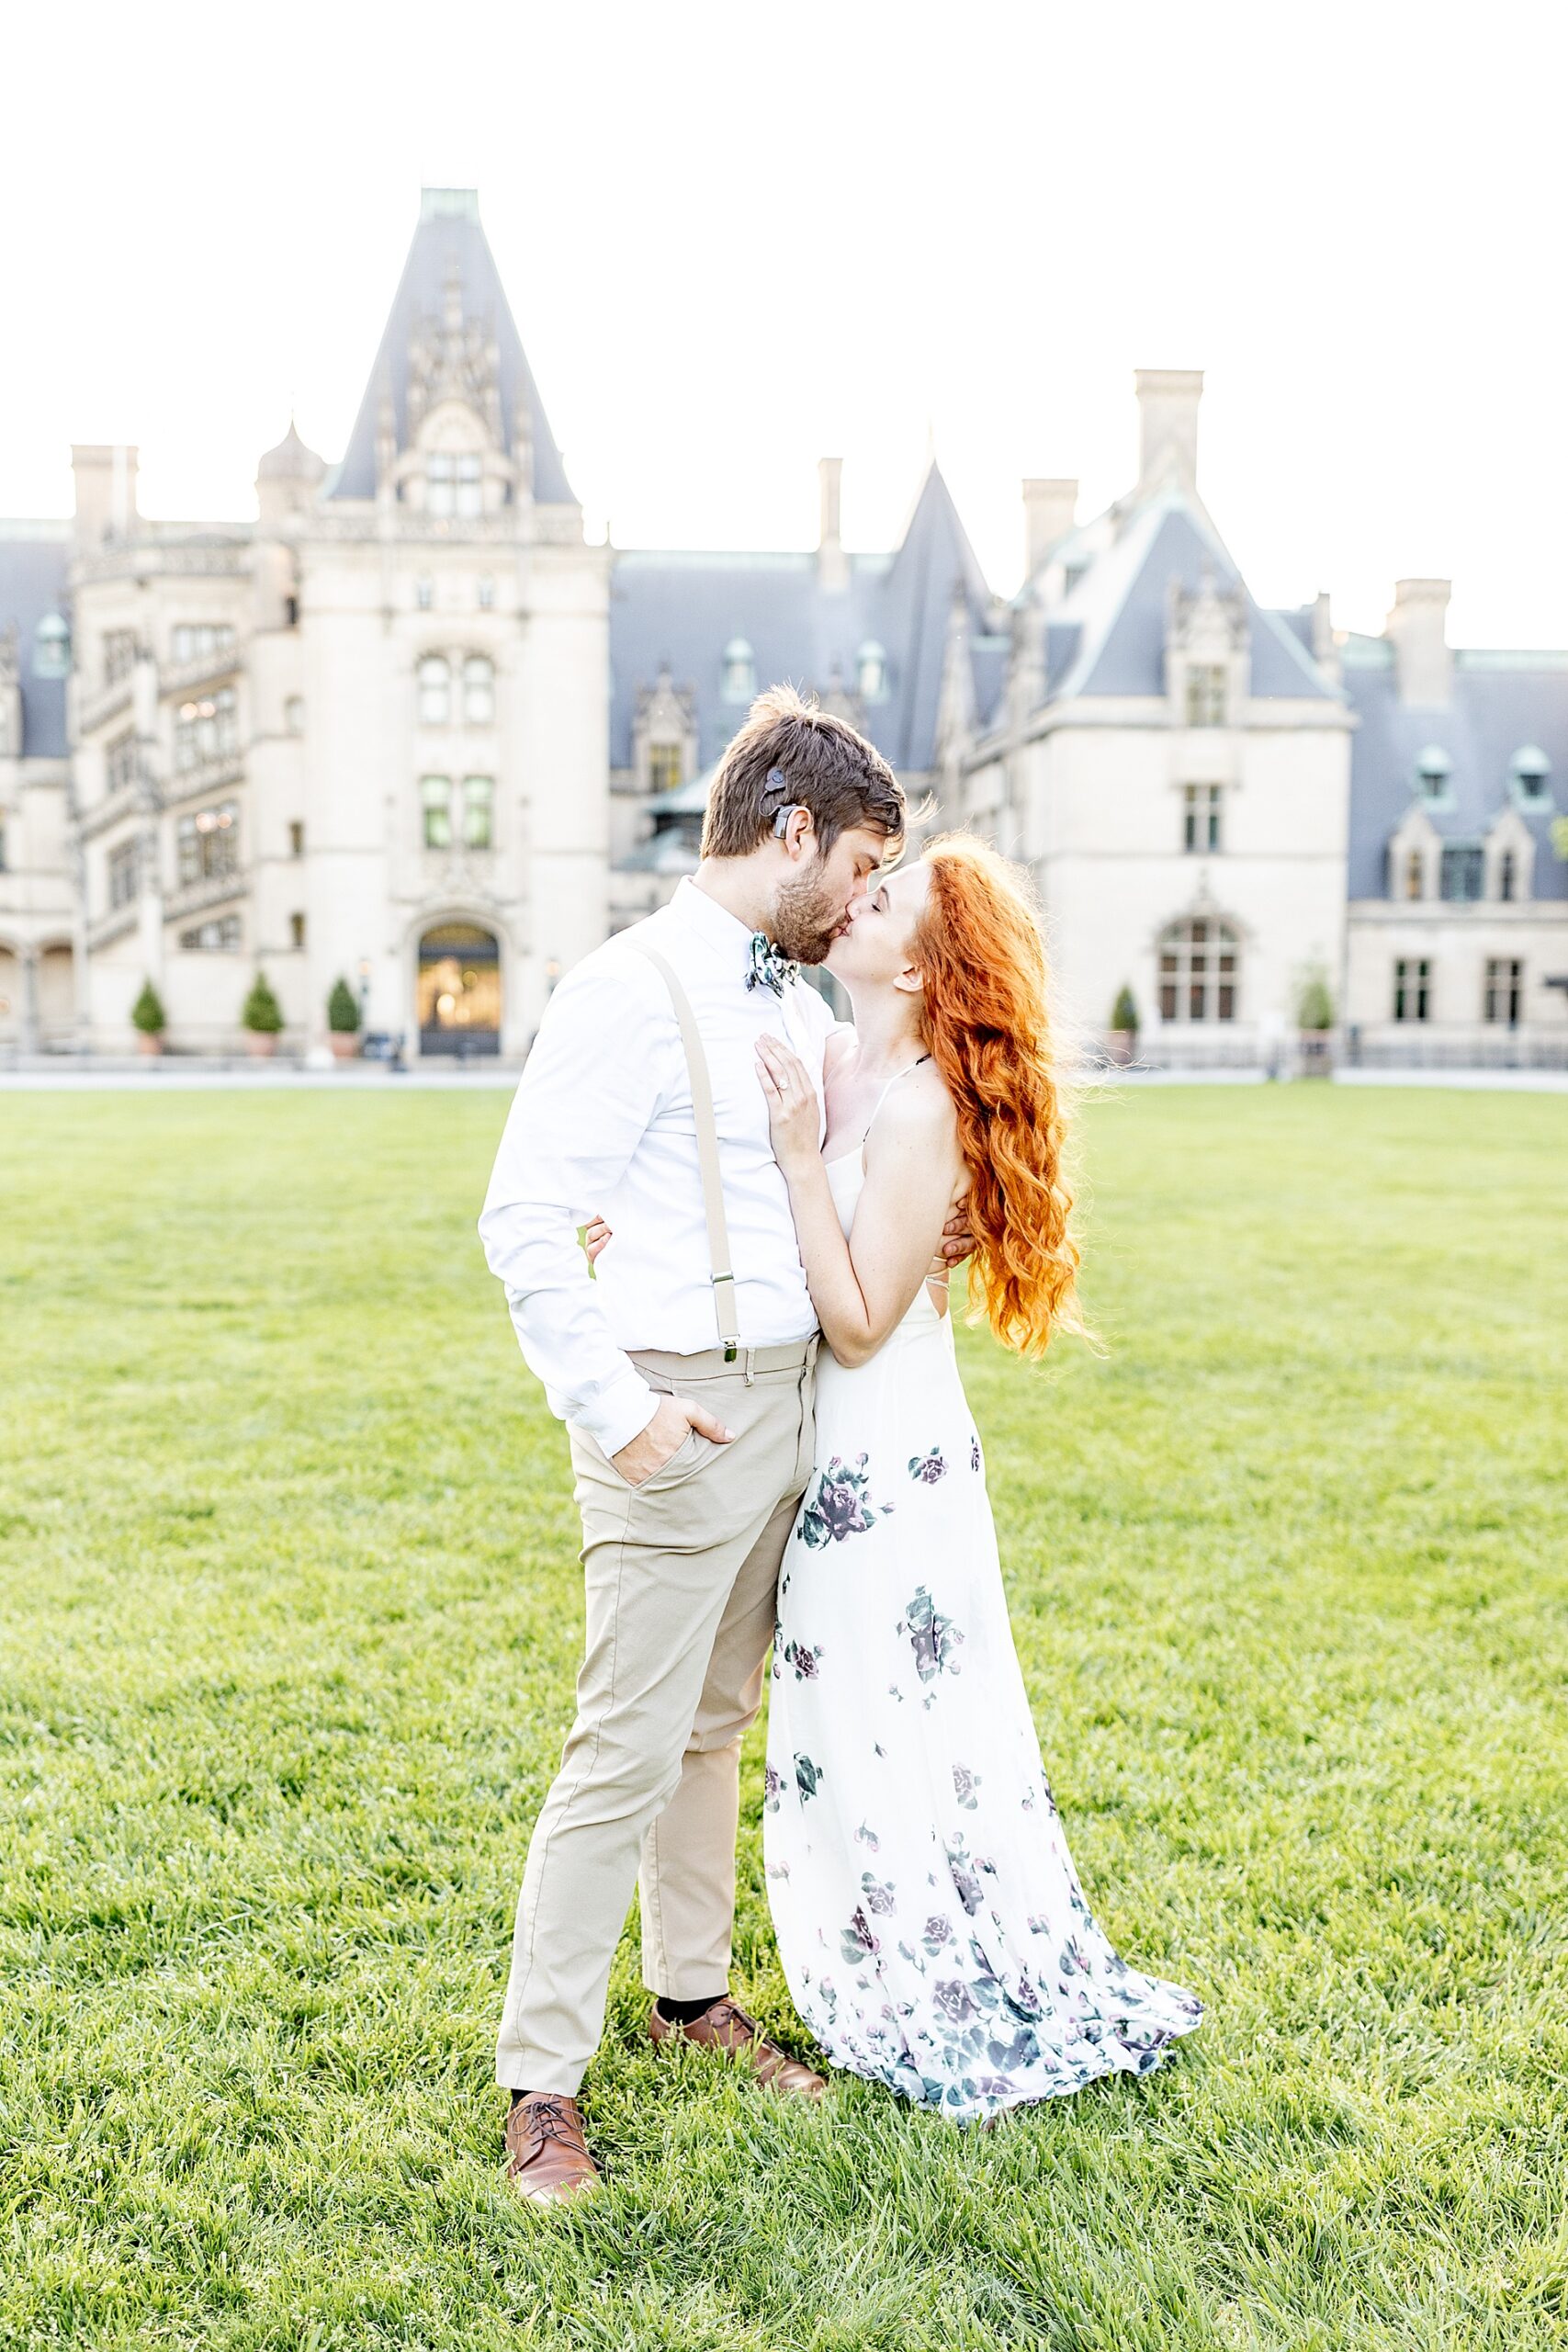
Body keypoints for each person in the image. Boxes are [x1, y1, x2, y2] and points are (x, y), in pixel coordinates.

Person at [478, 686, 968, 2204]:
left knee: (714, 1726)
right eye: (863, 867)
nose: (866, 902)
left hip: (798, 1402)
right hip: (675, 1409)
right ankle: (540, 2085)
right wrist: (618, 1413)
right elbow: (523, 1217)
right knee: (622, 1742)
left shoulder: (807, 1004)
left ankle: (692, 1995)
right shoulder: (626, 986)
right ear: (794, 831)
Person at [750, 836, 1203, 2121]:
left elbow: (856, 1321)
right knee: (855, 1708)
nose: (855, 902)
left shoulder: (920, 1110)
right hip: (837, 1441)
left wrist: (796, 1162)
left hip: (882, 1450)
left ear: (923, 960)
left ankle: (917, 1964)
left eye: (883, 899)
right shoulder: (840, 1059)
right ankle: (869, 1925)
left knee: (886, 1706)